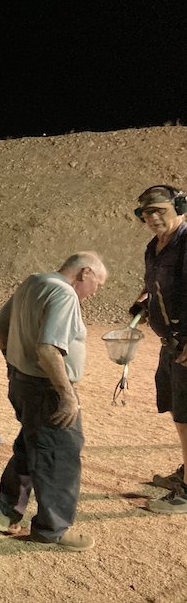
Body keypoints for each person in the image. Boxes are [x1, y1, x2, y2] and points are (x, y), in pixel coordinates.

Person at [0, 252, 107, 552]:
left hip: (22, 382)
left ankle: (4, 512)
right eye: (98, 284)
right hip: (46, 388)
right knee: (59, 456)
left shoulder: (34, 281)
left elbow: (0, 325)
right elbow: (48, 349)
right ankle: (52, 529)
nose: (95, 292)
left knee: (30, 444)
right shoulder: (64, 294)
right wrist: (67, 395)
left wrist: (12, 362)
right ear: (85, 273)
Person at [130, 185, 187, 513]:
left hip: (185, 343)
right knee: (178, 411)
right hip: (171, 344)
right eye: (146, 213)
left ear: (179, 207)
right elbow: (157, 285)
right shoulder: (154, 247)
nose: (152, 218)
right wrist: (144, 304)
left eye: (159, 211)